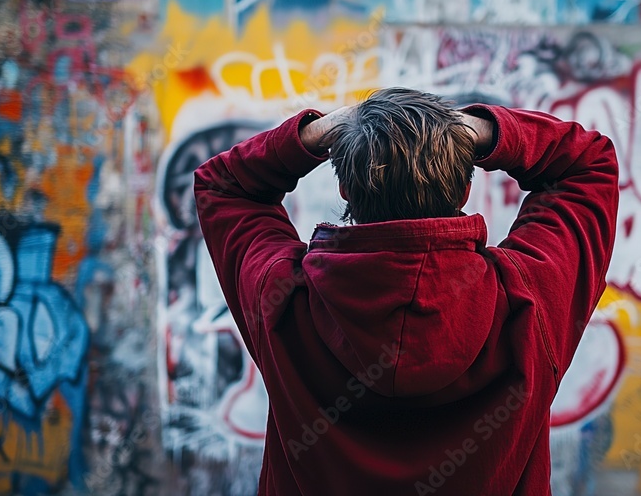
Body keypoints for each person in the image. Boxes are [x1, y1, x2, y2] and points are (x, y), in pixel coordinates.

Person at [193, 87, 619, 495]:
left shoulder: (284, 298)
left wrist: (313, 134)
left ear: (344, 190)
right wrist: (483, 130)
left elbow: (223, 184)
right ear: (466, 188)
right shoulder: (529, 296)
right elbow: (588, 164)